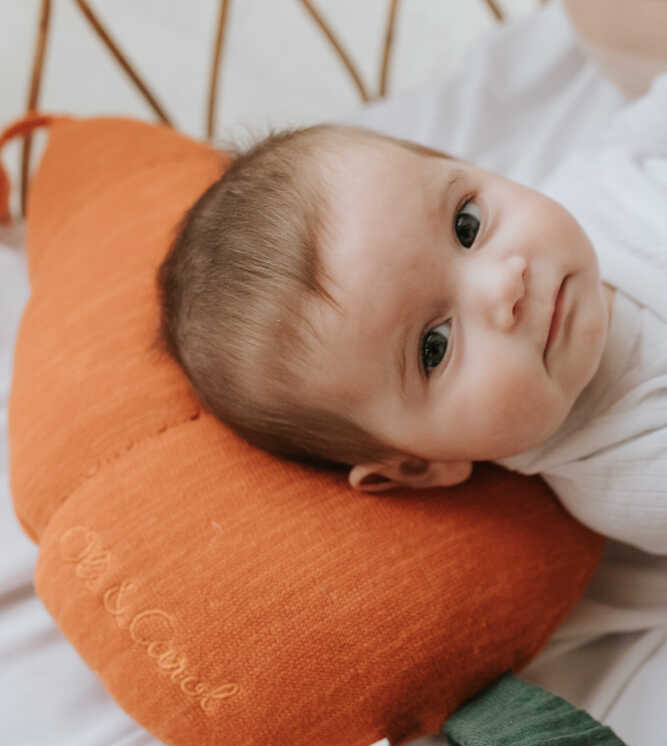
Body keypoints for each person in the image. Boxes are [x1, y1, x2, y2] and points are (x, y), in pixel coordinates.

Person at [154, 74, 667, 555]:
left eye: (468, 224)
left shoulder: (599, 183)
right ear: (418, 465)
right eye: (433, 348)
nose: (504, 285)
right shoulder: (631, 474)